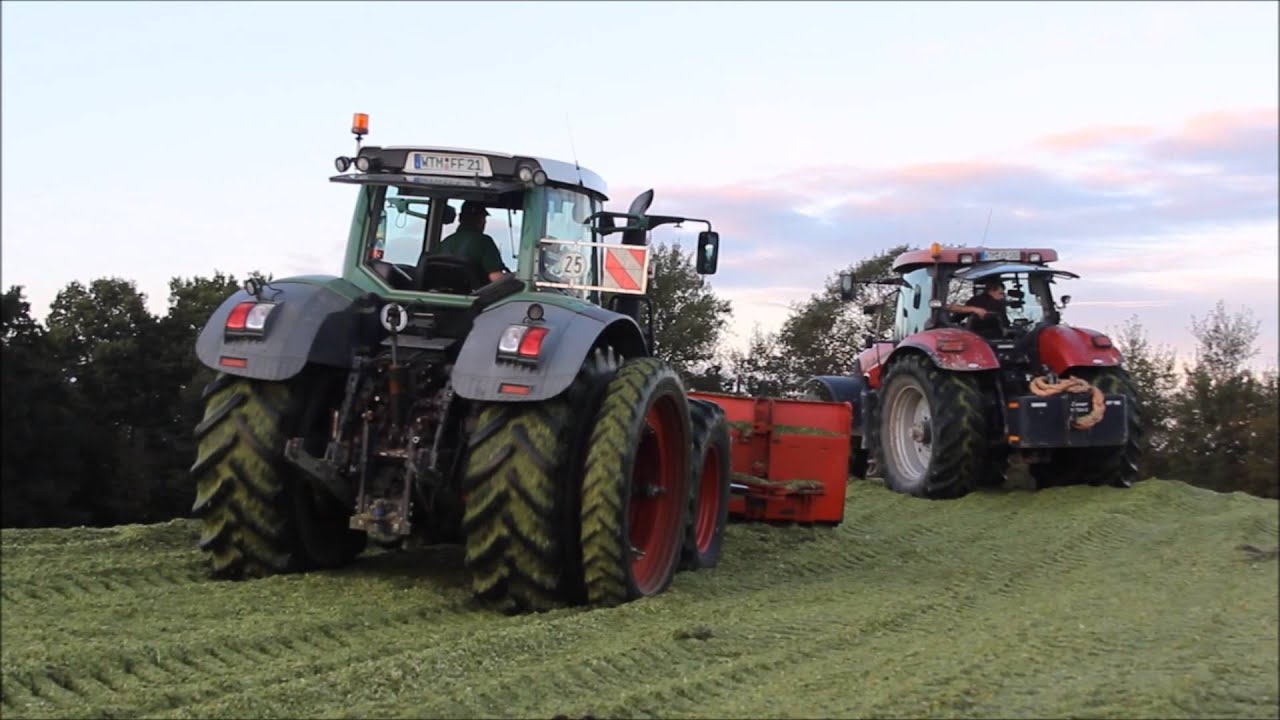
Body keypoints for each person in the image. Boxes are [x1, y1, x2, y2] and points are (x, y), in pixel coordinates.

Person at [434, 200, 507, 282]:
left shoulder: (445, 242)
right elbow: (496, 278)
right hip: (477, 294)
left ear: (460, 218)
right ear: (481, 220)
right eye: (483, 218)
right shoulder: (484, 241)